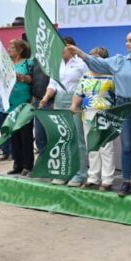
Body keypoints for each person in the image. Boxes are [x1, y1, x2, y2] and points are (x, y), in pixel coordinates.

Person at [71, 31, 131, 197]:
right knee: (127, 146)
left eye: (130, 41)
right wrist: (81, 54)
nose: (127, 44)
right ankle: (126, 182)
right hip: (122, 106)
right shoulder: (119, 61)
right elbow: (98, 64)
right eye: (126, 41)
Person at [39, 36, 88, 187]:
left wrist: (77, 101)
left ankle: (80, 174)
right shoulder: (56, 63)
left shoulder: (80, 63)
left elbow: (87, 82)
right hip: (59, 100)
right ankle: (65, 172)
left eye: (61, 46)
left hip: (75, 101)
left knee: (77, 139)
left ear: (70, 47)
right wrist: (46, 98)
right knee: (63, 138)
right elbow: (52, 83)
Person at [72, 47, 116, 191]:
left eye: (95, 58)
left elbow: (118, 95)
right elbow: (78, 93)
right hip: (88, 114)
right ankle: (93, 177)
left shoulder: (111, 76)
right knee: (92, 146)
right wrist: (74, 105)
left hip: (105, 115)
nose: (92, 61)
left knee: (105, 147)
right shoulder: (85, 76)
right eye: (90, 58)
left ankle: (107, 180)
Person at [6, 39, 35, 176]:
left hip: (24, 104)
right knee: (14, 137)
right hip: (10, 105)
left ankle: (28, 166)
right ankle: (17, 164)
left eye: (11, 47)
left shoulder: (28, 63)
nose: (8, 49)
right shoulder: (6, 64)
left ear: (20, 50)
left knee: (25, 137)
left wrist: (21, 77)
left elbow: (32, 79)